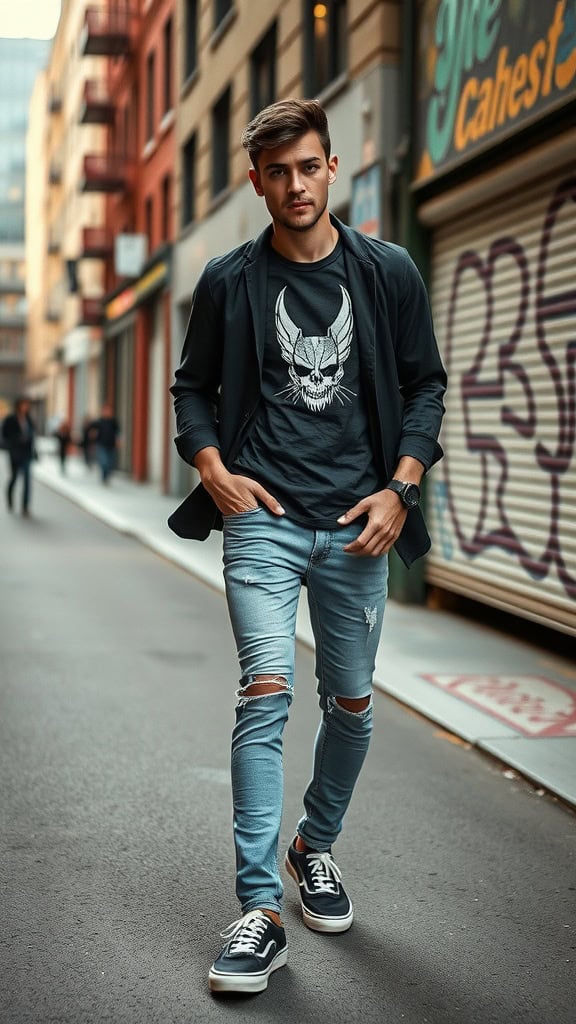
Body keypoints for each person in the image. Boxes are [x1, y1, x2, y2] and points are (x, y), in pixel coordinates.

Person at [169, 99, 447, 995]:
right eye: (277, 171)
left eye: (309, 167)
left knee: (353, 706)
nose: (295, 185)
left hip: (358, 527)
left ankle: (312, 847)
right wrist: (212, 468)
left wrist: (400, 489)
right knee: (264, 690)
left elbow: (425, 389)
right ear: (256, 180)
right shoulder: (228, 280)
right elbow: (193, 388)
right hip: (263, 520)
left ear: (334, 168)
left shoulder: (388, 272)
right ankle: (257, 910)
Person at [2, 396, 36, 517]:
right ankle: (10, 498)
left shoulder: (29, 419)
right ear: (18, 405)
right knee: (14, 478)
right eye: (23, 404)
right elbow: (4, 435)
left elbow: (32, 436)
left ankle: (25, 507)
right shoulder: (10, 419)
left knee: (27, 480)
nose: (25, 407)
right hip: (15, 453)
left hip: (27, 453)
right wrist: (15, 441)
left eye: (27, 405)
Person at [92, 403, 120, 484]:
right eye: (106, 411)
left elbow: (118, 432)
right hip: (101, 444)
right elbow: (92, 428)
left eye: (109, 411)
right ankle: (104, 477)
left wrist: (118, 440)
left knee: (110, 462)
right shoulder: (99, 421)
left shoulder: (114, 421)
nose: (107, 412)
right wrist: (93, 434)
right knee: (104, 462)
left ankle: (107, 476)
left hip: (111, 445)